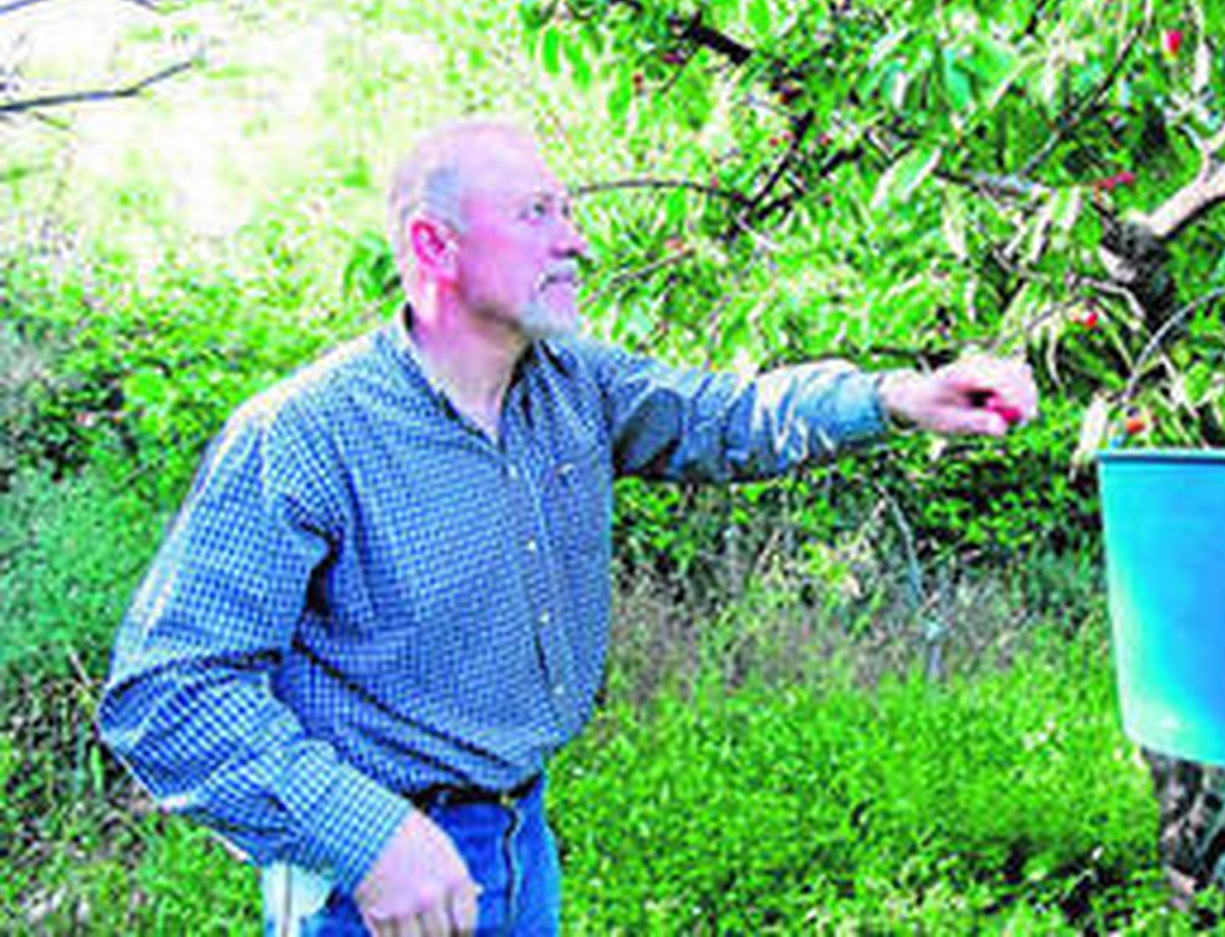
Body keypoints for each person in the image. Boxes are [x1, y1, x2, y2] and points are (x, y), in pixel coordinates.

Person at [98, 119, 1038, 936]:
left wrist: (899, 397)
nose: (576, 241)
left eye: (570, 211)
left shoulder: (576, 385)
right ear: (433, 244)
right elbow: (169, 691)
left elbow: (732, 415)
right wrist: (367, 835)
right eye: (537, 214)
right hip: (371, 884)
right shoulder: (305, 434)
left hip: (521, 839)